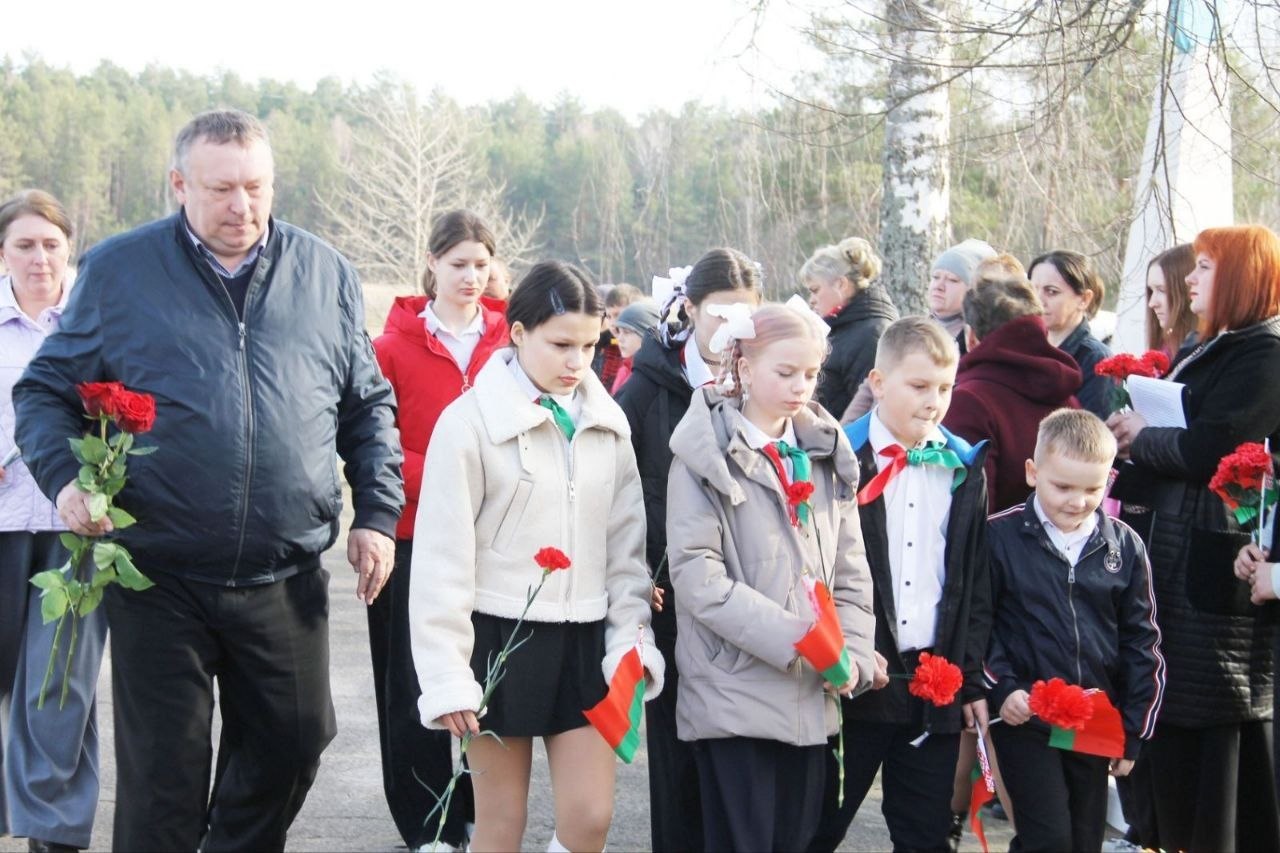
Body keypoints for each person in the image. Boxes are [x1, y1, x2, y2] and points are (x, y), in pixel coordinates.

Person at [12, 110, 404, 852]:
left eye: (257, 187)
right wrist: (65, 481)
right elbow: (43, 390)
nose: (242, 207)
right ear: (178, 185)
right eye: (221, 189)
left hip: (284, 575)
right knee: (165, 783)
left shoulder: (325, 273)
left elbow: (368, 405)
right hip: (160, 578)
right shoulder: (121, 272)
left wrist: (377, 513)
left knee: (295, 742)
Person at [409, 261, 664, 853]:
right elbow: (443, 559)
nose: (578, 362)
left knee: (591, 819)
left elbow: (626, 551)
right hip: (500, 638)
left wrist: (630, 638)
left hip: (588, 641)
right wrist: (447, 672)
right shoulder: (468, 424)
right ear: (518, 332)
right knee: (501, 825)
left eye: (589, 345)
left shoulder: (610, 424)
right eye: (560, 344)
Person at [665, 302, 876, 852]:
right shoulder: (702, 453)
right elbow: (698, 577)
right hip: (736, 693)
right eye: (785, 373)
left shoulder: (825, 453)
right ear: (743, 365)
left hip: (812, 694)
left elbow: (851, 571)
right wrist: (803, 640)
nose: (800, 387)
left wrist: (848, 649)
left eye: (810, 374)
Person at [1107, 224, 1280, 853]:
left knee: (1213, 733)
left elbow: (1214, 445)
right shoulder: (1213, 347)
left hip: (1216, 562)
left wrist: (1140, 436)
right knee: (1171, 715)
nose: (1190, 281)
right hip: (1178, 550)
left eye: (1204, 267)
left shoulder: (1263, 355)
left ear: (1239, 278)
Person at [812, 317, 992, 852]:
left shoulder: (964, 464)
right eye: (919, 386)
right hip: (860, 675)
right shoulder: (840, 455)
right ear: (878, 381)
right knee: (820, 823)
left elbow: (975, 580)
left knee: (924, 832)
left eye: (944, 387)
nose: (934, 400)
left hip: (932, 678)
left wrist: (970, 674)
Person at [369, 209, 508, 851]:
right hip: (410, 539)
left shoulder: (511, 342)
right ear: (431, 264)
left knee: (489, 682)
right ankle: (428, 829)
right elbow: (379, 448)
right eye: (458, 265)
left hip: (496, 541)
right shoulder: (391, 348)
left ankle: (482, 814)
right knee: (410, 690)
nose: (472, 277)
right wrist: (454, 474)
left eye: (482, 265)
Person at [616, 248, 761, 852]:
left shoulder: (766, 380)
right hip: (671, 600)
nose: (729, 328)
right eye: (718, 312)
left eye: (744, 316)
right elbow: (621, 491)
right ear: (690, 308)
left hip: (749, 599)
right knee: (678, 763)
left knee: (740, 766)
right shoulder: (648, 388)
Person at [985, 409, 1164, 852]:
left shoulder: (1125, 545)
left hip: (1094, 720)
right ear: (1033, 472)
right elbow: (977, 624)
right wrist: (1001, 687)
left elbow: (1142, 640)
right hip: (1025, 716)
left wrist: (1134, 730)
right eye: (1062, 486)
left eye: (1093, 489)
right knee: (1048, 838)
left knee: (1084, 841)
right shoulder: (998, 537)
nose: (1077, 501)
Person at [0, 190, 104, 853]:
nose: (40, 257)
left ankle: (53, 836)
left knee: (59, 685)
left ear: (70, 247)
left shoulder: (97, 318)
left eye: (51, 244)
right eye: (24, 244)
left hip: (77, 532)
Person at [944, 275, 1082, 513]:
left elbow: (973, 513)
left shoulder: (969, 402)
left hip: (998, 547)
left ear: (972, 337)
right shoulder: (1069, 400)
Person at [840, 239, 995, 424]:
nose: (939, 285)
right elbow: (871, 386)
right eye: (936, 277)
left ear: (973, 289)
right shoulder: (913, 330)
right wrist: (847, 434)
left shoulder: (975, 342)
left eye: (953, 280)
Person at [800, 237, 898, 419]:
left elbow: (870, 409)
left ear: (841, 285)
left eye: (815, 290)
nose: (811, 300)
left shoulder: (871, 335)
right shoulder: (841, 328)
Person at [1029, 251, 1113, 419]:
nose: (1038, 300)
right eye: (1032, 289)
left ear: (1084, 299)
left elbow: (1088, 435)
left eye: (1051, 292)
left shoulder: (1096, 359)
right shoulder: (1025, 347)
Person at [1145, 244, 1198, 358]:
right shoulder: (1165, 348)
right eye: (1151, 291)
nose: (1152, 303)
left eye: (1162, 290)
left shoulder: (1205, 352)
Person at [593, 283, 642, 390]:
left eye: (618, 315)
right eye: (609, 316)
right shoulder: (600, 345)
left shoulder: (643, 356)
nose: (613, 322)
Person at [610, 299, 660, 396]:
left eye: (627, 332)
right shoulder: (624, 370)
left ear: (647, 335)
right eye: (619, 332)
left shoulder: (656, 376)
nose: (619, 339)